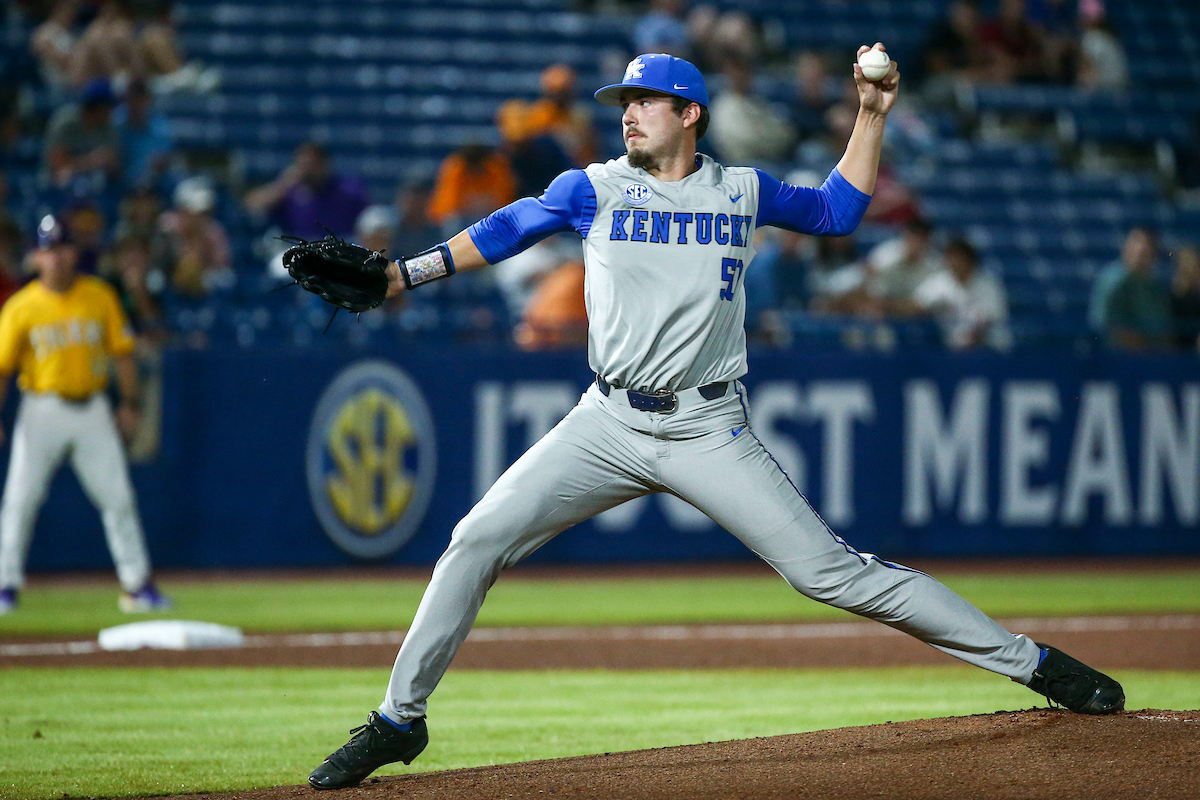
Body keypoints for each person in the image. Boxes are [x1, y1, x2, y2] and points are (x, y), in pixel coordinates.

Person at [306, 50, 1124, 791]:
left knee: (828, 575)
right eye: (623, 101)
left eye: (647, 100)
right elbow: (509, 226)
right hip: (606, 422)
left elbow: (838, 212)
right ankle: (397, 722)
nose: (628, 113)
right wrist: (401, 276)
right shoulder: (591, 187)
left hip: (708, 429)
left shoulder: (741, 191)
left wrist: (871, 116)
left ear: (690, 113)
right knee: (475, 540)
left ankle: (1037, 665)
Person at [0, 215, 169, 615]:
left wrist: (128, 403)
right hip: (41, 409)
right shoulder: (21, 306)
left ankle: (137, 586)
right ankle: (5, 587)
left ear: (73, 253)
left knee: (118, 498)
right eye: (48, 250)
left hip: (93, 409)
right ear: (37, 257)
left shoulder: (99, 295)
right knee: (20, 500)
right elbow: (3, 369)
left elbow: (122, 354)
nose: (56, 258)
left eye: (62, 248)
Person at [244, 141, 369, 242]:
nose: (309, 171)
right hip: (299, 248)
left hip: (340, 247)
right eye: (303, 165)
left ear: (325, 164)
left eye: (313, 165)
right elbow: (253, 205)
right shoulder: (289, 189)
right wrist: (284, 183)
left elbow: (369, 218)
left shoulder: (347, 189)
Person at [913, 237, 1012, 350]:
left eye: (960, 258)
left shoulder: (988, 284)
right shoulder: (939, 283)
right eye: (951, 258)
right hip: (952, 347)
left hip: (990, 344)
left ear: (970, 260)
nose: (955, 263)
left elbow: (995, 315)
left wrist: (974, 335)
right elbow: (915, 305)